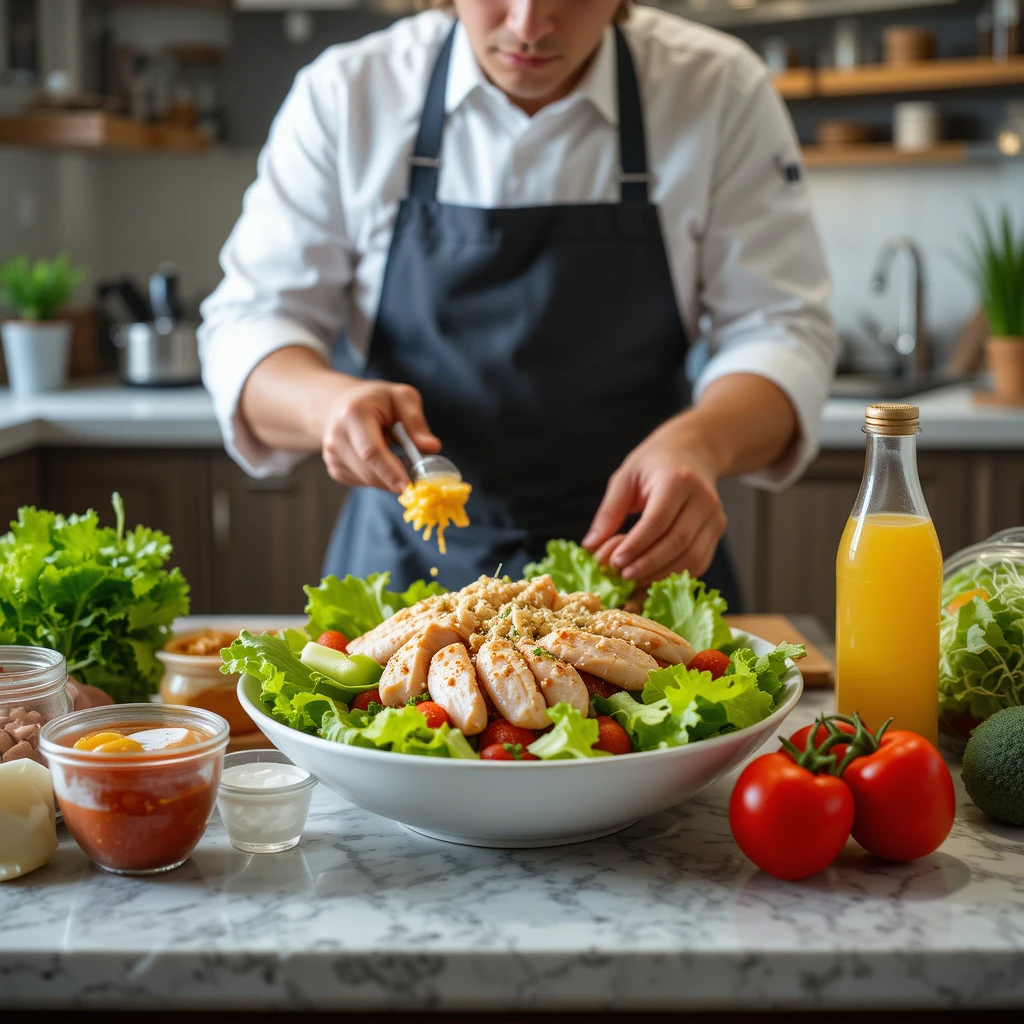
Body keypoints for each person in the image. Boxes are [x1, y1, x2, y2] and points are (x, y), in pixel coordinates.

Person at [199, 0, 837, 606]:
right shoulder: (348, 93)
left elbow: (783, 330)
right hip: (404, 570)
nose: (529, 26)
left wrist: (702, 443)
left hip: (639, 565)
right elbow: (250, 325)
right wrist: (328, 406)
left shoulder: (717, 90)